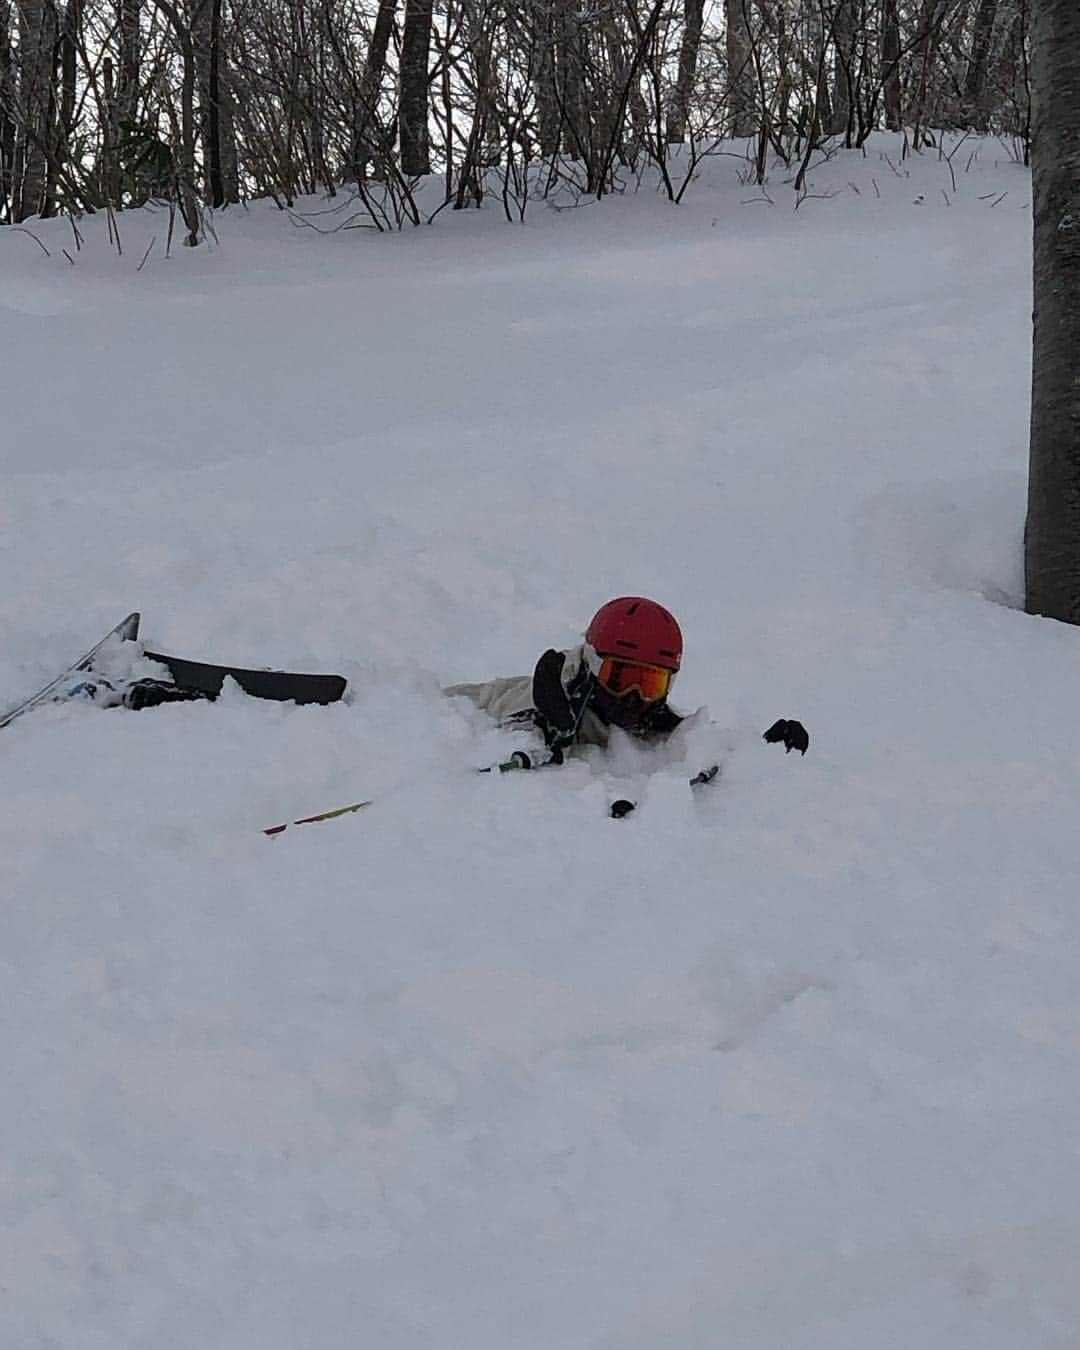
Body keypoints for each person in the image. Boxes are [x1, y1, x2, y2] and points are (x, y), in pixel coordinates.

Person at [445, 596, 809, 768]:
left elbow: (689, 745)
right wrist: (546, 733)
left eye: (650, 684)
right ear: (591, 665)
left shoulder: (648, 717)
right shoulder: (554, 697)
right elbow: (515, 736)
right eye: (621, 678)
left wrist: (758, 750)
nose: (634, 697)